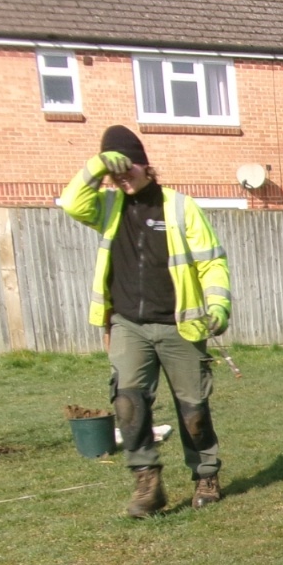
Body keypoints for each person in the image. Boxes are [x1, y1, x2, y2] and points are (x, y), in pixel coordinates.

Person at [59, 125, 231, 517]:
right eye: (114, 171)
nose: (122, 177)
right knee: (128, 403)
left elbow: (212, 262)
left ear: (145, 165)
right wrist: (96, 165)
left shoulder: (180, 207)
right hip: (128, 325)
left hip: (179, 326)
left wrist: (219, 306)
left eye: (128, 167)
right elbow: (70, 202)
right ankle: (147, 483)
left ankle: (206, 475)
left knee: (193, 410)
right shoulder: (107, 207)